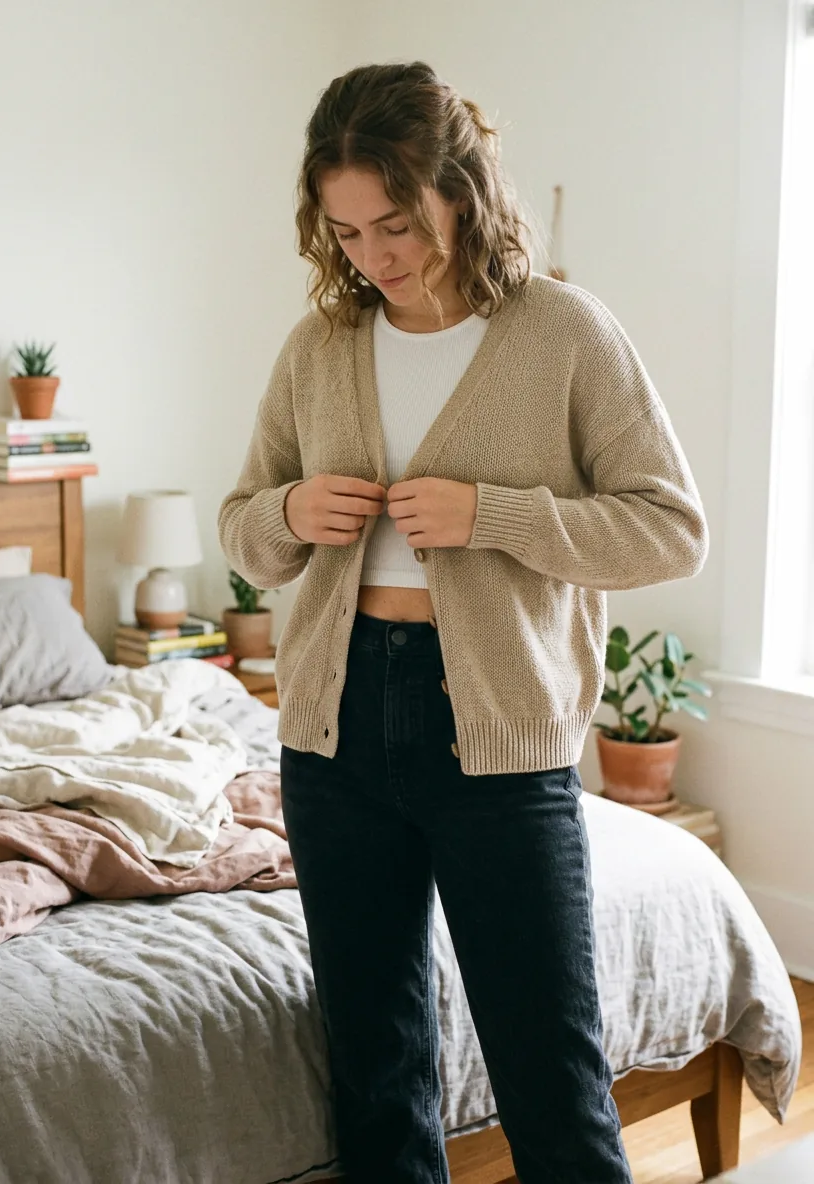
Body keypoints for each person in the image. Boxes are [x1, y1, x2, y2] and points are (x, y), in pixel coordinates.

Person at [218, 60, 708, 1184]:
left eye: (393, 222)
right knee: (376, 1073)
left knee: (550, 1076)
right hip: (333, 732)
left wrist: (495, 517)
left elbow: (668, 530)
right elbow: (244, 532)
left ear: (459, 188)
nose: (374, 256)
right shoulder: (320, 347)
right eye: (344, 233)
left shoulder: (562, 332)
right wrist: (289, 510)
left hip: (495, 735)